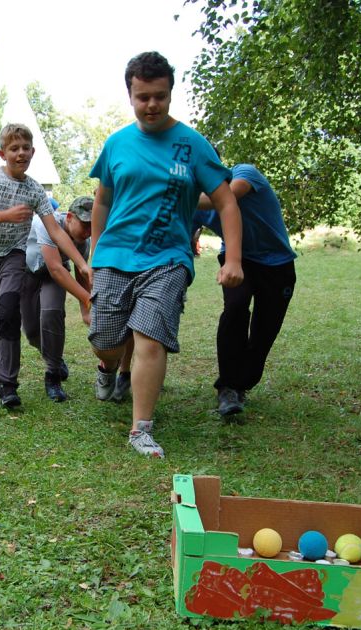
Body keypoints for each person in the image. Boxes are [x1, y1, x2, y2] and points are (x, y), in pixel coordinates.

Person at [88, 52, 244, 458]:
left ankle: (141, 429)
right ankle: (108, 367)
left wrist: (234, 259)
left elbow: (227, 203)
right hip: (115, 255)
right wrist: (94, 250)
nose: (151, 104)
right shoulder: (117, 144)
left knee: (150, 339)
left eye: (160, 96)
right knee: (106, 338)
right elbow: (101, 202)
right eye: (143, 97)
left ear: (171, 94)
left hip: (168, 258)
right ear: (130, 95)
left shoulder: (192, 145)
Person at [0, 123, 92, 409]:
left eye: (25, 148)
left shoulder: (34, 190)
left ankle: (8, 384)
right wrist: (5, 215)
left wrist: (82, 264)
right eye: (14, 148)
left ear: (33, 151)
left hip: (14, 255)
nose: (21, 153)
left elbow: (56, 232)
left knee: (8, 312)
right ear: (2, 153)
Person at [193, 160, 296, 416]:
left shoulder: (245, 174)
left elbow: (228, 196)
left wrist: (178, 195)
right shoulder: (196, 202)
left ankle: (242, 383)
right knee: (236, 307)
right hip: (237, 260)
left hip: (277, 263)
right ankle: (228, 387)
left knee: (265, 330)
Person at [20, 195, 94, 402]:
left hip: (53, 279)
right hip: (28, 274)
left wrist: (85, 310)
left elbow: (81, 273)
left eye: (92, 226)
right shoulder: (47, 222)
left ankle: (53, 375)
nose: (88, 231)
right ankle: (54, 357)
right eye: (85, 225)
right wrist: (89, 300)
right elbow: (55, 268)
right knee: (32, 331)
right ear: (70, 217)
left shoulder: (83, 241)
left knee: (51, 314)